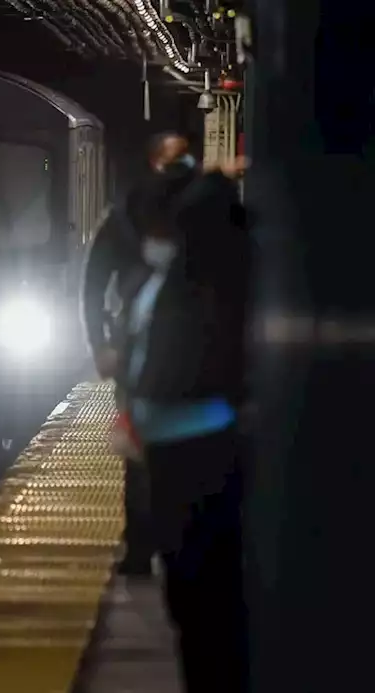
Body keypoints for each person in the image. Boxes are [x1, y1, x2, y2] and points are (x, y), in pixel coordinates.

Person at [121, 155, 251, 693]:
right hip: (171, 453)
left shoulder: (202, 282)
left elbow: (178, 368)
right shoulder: (174, 276)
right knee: (190, 598)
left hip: (196, 454)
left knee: (202, 599)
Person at [80, 131, 196, 576]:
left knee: (140, 448)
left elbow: (93, 287)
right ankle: (170, 543)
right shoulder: (208, 212)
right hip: (183, 346)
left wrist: (101, 344)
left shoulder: (124, 215)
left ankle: (140, 548)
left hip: (140, 346)